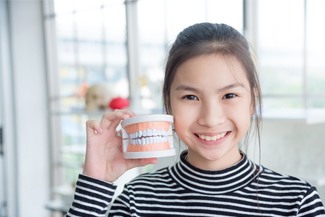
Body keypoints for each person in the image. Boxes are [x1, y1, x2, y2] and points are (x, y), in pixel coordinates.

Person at [66, 22, 325, 216]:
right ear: (168, 104)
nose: (211, 119)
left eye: (229, 95)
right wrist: (95, 181)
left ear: (252, 102)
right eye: (190, 97)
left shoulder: (296, 201)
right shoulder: (137, 199)